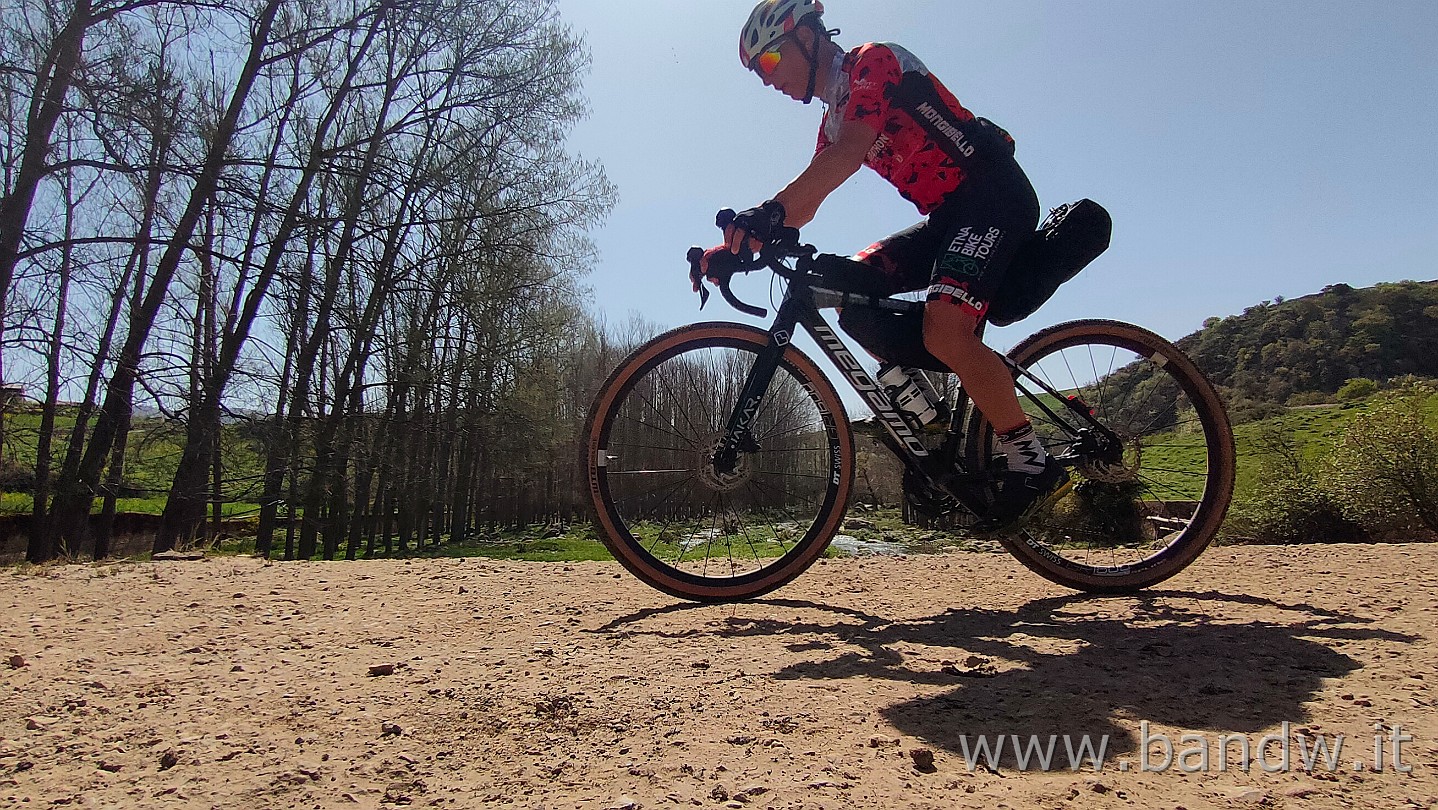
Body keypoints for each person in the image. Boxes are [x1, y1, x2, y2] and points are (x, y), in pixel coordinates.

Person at [698, 0, 1069, 533]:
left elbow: (849, 153)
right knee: (848, 284)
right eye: (761, 75)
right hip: (947, 219)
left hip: (993, 196)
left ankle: (1032, 460)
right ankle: (932, 420)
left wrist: (768, 211)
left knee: (945, 330)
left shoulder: (872, 63)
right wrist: (736, 250)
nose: (768, 81)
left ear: (807, 38)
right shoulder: (832, 118)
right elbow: (808, 199)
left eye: (772, 64)